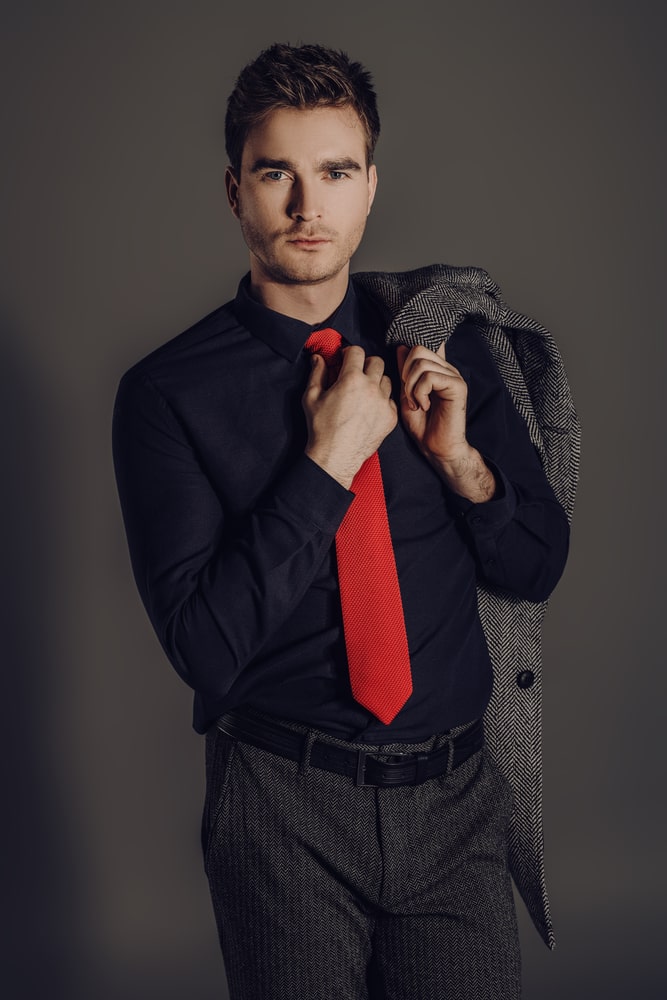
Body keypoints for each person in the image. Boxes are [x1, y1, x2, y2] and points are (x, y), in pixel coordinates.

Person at [112, 42, 579, 1000]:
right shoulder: (166, 394)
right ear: (234, 190)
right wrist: (329, 459)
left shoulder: (450, 350)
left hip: (456, 803)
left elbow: (535, 566)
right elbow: (204, 649)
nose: (305, 207)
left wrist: (460, 463)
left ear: (370, 187)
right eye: (276, 172)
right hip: (282, 805)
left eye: (334, 172)